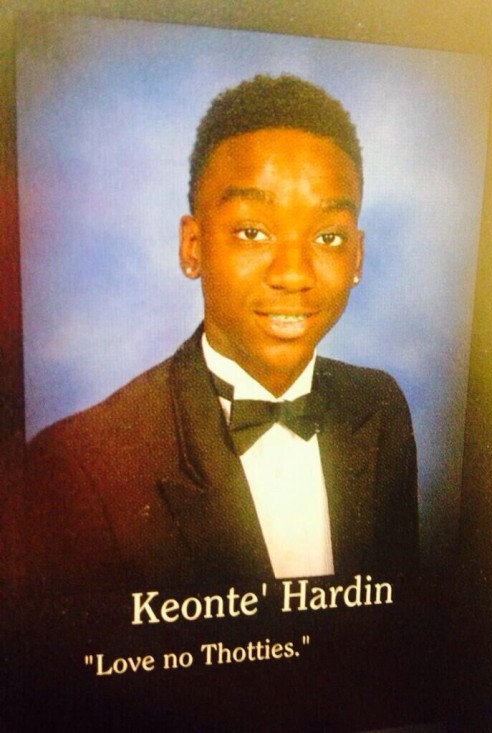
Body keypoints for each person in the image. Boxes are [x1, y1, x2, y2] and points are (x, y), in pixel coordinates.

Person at [24, 74, 418, 593]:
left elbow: (393, 622)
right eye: (253, 232)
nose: (293, 274)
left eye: (328, 237)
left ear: (358, 257)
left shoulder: (380, 407)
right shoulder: (81, 465)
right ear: (193, 247)